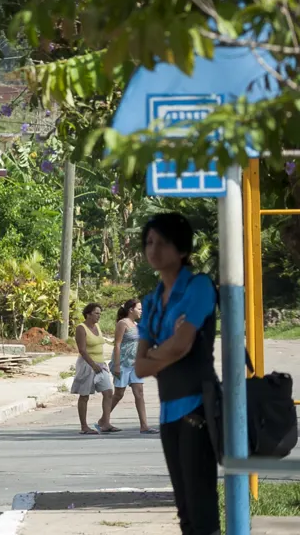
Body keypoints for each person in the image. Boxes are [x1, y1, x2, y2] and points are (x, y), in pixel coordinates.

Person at [132, 211, 218, 535]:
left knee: (201, 506)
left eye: (163, 243)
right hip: (168, 413)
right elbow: (139, 366)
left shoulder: (199, 287)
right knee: (184, 509)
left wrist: (160, 350)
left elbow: (183, 344)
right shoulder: (152, 301)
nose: (153, 250)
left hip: (197, 408)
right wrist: (168, 350)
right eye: (149, 242)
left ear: (182, 250)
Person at [109, 298, 156, 435]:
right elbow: (117, 344)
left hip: (135, 365)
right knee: (118, 394)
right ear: (131, 310)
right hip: (122, 364)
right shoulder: (122, 323)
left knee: (139, 393)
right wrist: (116, 365)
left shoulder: (136, 324)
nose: (141, 311)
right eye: (139, 308)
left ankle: (144, 426)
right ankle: (104, 420)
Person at [71, 302, 118, 434]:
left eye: (99, 313)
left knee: (108, 392)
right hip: (87, 364)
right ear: (88, 314)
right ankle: (84, 426)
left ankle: (106, 423)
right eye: (96, 313)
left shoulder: (97, 326)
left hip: (101, 364)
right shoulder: (81, 328)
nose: (99, 316)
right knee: (85, 395)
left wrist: (101, 365)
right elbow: (82, 350)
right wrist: (93, 365)